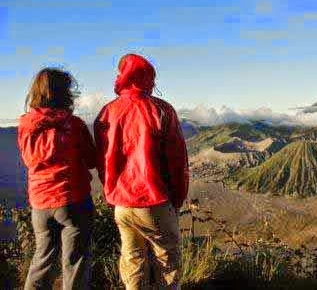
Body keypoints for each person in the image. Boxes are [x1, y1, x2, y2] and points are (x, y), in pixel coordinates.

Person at [94, 53, 189, 290]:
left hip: (122, 205)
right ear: (148, 79)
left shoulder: (107, 112)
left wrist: (112, 194)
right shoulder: (162, 110)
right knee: (168, 262)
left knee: (133, 260)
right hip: (154, 201)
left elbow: (102, 161)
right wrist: (175, 201)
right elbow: (178, 162)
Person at [17, 67, 96, 289]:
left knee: (42, 260)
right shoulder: (74, 125)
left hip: (40, 205)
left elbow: (29, 159)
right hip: (73, 201)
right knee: (75, 265)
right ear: (65, 93)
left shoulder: (26, 126)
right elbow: (91, 159)